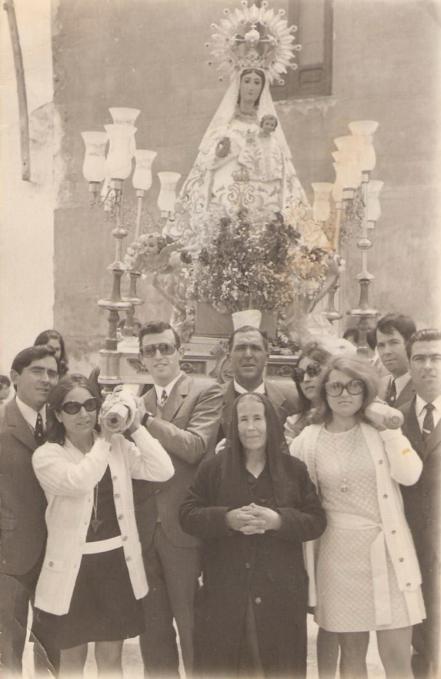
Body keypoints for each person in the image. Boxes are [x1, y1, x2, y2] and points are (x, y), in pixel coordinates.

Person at [290, 355, 426, 679]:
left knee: (397, 658)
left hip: (390, 554)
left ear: (366, 390)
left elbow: (410, 474)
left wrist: (390, 431)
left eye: (354, 386)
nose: (344, 394)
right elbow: (290, 488)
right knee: (351, 658)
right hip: (338, 560)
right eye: (335, 386)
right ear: (324, 391)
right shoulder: (308, 440)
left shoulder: (380, 431)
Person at [31, 374, 174, 677]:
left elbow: (163, 470)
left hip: (115, 565)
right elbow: (80, 481)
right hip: (73, 570)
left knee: (111, 660)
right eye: (72, 408)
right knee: (72, 660)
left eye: (90, 405)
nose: (83, 414)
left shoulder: (118, 445)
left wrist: (135, 427)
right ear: (57, 414)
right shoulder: (47, 455)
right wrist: (106, 440)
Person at [180, 393, 326, 678]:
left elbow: (316, 521)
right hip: (226, 591)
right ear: (233, 426)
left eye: (257, 418)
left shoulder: (293, 469)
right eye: (243, 419)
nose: (250, 427)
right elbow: (187, 514)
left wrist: (278, 521)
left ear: (270, 422)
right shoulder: (213, 468)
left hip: (280, 593)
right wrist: (226, 519)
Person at [133, 321, 223, 677]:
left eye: (165, 348)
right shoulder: (136, 402)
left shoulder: (205, 391)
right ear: (141, 358)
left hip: (183, 529)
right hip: (144, 531)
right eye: (150, 350)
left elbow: (195, 447)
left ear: (179, 351)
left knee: (192, 628)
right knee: (152, 634)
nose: (158, 356)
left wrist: (145, 421)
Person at [170, 67, 309, 252]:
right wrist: (222, 151)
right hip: (226, 196)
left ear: (262, 89)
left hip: (261, 201)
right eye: (247, 81)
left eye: (257, 82)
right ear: (239, 85)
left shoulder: (268, 130)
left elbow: (279, 166)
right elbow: (207, 161)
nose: (251, 87)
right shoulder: (225, 126)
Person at [0, 346, 59, 675]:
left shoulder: (64, 422)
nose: (46, 379)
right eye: (38, 371)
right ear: (15, 377)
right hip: (9, 553)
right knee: (7, 648)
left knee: (53, 645)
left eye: (52, 373)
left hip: (58, 552)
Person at [400, 329, 441, 678]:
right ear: (410, 364)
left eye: (436, 358)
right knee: (419, 645)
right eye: (420, 358)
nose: (428, 366)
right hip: (410, 550)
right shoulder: (393, 420)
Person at [220, 325, 299, 440]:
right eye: (241, 348)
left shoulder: (292, 401)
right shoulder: (213, 400)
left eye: (255, 348)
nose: (248, 355)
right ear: (229, 357)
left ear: (267, 357)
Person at [376, 313, 417, 406]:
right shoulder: (378, 387)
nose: (386, 351)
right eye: (381, 345)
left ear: (410, 344)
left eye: (394, 343)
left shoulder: (425, 388)